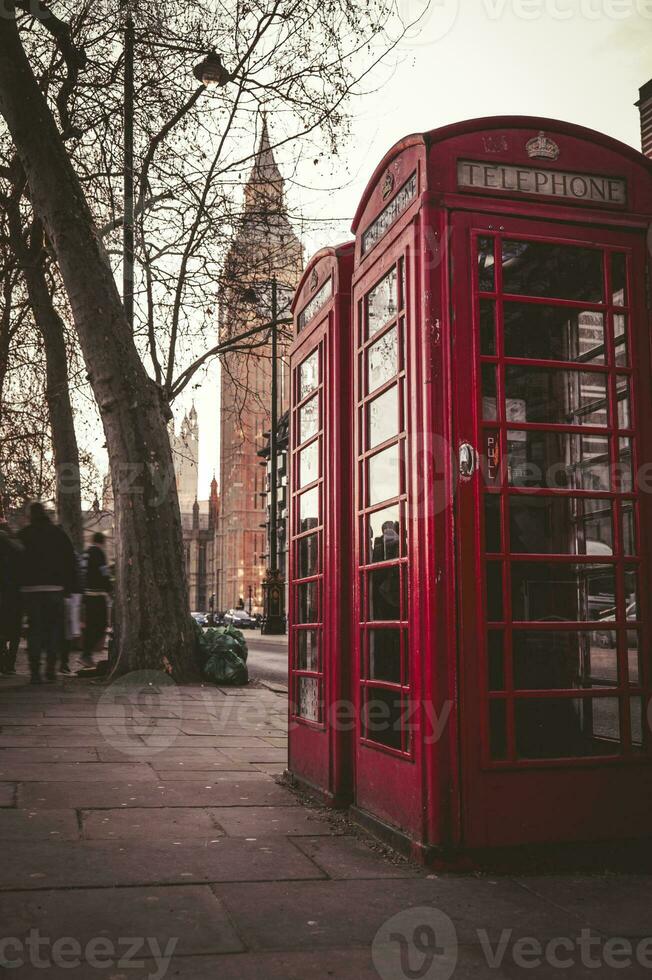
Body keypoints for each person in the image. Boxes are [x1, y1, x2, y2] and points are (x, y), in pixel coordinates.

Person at [18, 502, 77, 684]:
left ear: (30, 515)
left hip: (30, 589)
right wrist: (68, 588)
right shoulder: (58, 534)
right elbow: (70, 560)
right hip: (55, 589)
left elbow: (14, 563)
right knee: (53, 630)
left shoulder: (24, 535)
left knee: (34, 630)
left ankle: (35, 672)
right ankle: (51, 670)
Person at [81, 532, 111, 667]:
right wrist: (109, 588)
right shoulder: (98, 553)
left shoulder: (86, 554)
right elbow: (104, 572)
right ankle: (86, 654)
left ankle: (86, 654)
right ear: (102, 542)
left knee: (90, 626)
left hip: (87, 595)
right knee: (101, 625)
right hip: (97, 595)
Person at [0, 520, 23, 676]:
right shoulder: (17, 547)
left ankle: (2, 662)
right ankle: (10, 664)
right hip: (15, 593)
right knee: (15, 630)